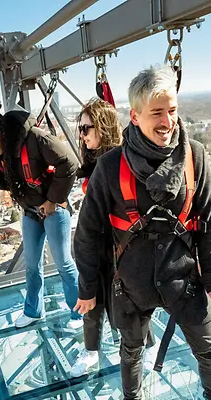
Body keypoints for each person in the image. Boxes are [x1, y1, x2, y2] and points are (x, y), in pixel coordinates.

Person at [73, 65, 211, 400]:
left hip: (182, 275)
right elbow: (86, 234)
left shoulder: (194, 156)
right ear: (134, 116)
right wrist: (88, 289)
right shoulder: (110, 166)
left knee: (208, 350)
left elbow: (208, 223)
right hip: (133, 278)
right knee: (130, 351)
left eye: (172, 111)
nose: (167, 121)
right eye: (157, 113)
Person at [0, 101, 82, 329]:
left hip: (53, 209)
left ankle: (79, 314)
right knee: (32, 265)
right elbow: (11, 183)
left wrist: (52, 200)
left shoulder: (34, 138)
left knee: (63, 263)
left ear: (0, 131)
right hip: (31, 212)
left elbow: (69, 163)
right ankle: (33, 311)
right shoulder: (7, 152)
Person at [71, 98, 156, 377]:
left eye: (86, 129)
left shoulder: (117, 163)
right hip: (101, 246)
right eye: (80, 129)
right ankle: (92, 350)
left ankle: (146, 345)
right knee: (92, 298)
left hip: (120, 248)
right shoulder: (98, 163)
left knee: (128, 301)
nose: (82, 136)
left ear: (103, 127)